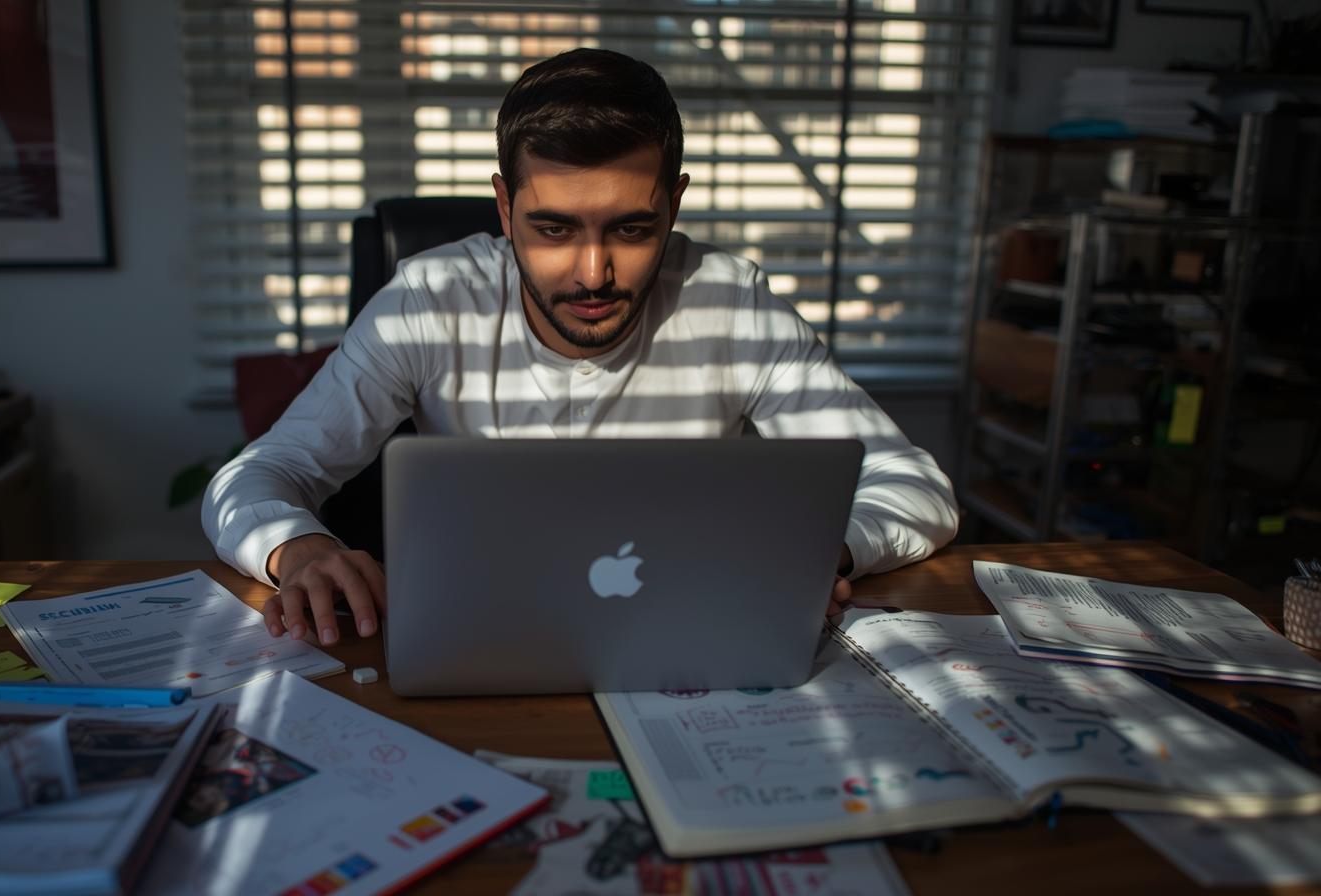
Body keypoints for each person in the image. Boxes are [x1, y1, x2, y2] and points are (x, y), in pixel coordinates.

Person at [203, 48, 959, 647]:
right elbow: (264, 472)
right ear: (504, 206)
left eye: (632, 229)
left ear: (675, 205)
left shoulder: (732, 304)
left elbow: (914, 487)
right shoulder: (429, 303)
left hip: (690, 640)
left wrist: (809, 550)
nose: (593, 273)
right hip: (477, 640)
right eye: (554, 228)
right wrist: (296, 548)